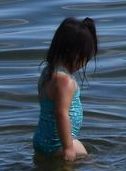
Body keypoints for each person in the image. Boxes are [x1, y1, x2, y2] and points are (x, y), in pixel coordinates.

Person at [33, 16, 98, 161]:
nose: (83, 65)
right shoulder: (64, 81)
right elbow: (61, 113)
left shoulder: (48, 73)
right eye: (85, 59)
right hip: (58, 144)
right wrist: (68, 148)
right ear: (75, 54)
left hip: (42, 140)